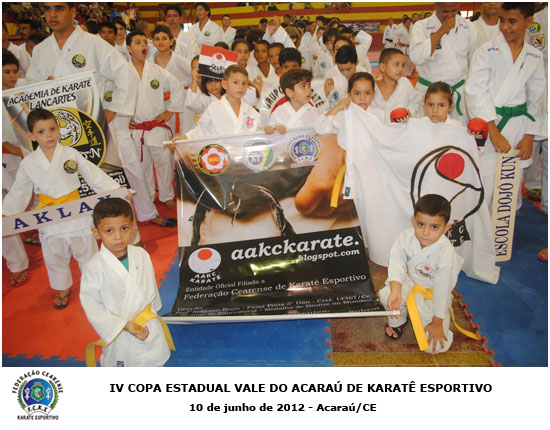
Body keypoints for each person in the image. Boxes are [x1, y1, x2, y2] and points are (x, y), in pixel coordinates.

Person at [2, 109, 121, 309]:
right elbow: (20, 191)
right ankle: (63, 288)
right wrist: (7, 213)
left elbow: (93, 174)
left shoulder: (70, 154)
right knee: (54, 256)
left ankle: (96, 285)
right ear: (31, 136)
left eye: (52, 129)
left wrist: (115, 191)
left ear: (58, 129)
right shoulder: (29, 163)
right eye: (41, 132)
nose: (48, 135)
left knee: (88, 253)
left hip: (76, 212)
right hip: (49, 217)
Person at [465, 2, 546, 207]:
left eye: (512, 21)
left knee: (510, 187)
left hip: (519, 128)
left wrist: (529, 137)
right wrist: (493, 131)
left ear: (528, 21)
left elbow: (536, 98)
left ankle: (505, 228)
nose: (505, 27)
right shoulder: (486, 50)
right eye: (502, 20)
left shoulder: (534, 55)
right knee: (485, 182)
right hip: (490, 125)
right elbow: (475, 92)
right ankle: (481, 226)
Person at [80, 197, 173, 367]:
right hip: (120, 329)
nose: (118, 237)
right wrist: (123, 325)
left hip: (147, 322)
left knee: (154, 360)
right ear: (96, 233)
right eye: (109, 231)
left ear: (133, 227)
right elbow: (92, 306)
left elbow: (150, 286)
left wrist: (154, 310)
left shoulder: (141, 254)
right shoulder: (93, 268)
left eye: (124, 228)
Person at [378, 194, 463, 354]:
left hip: (431, 294)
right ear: (413, 220)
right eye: (421, 224)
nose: (425, 232)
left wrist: (437, 322)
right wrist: (396, 290)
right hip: (410, 282)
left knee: (435, 348)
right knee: (386, 295)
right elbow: (397, 264)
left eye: (434, 227)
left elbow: (443, 289)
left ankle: (425, 315)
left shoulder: (446, 253)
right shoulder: (406, 237)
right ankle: (399, 321)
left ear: (446, 228)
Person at [127, 30, 184, 212]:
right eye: (138, 42)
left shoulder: (156, 71)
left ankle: (167, 196)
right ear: (128, 48)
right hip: (137, 128)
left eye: (145, 42)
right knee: (143, 166)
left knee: (164, 164)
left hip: (157, 126)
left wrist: (170, 111)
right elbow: (112, 96)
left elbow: (177, 86)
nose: (143, 45)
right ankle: (148, 196)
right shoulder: (123, 71)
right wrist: (124, 117)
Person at [409, 2, 478, 123]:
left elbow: (474, 62)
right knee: (426, 131)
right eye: (445, 11)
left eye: (454, 11)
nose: (450, 15)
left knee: (457, 129)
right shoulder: (421, 26)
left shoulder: (468, 27)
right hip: (429, 93)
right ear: (436, 7)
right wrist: (441, 31)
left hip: (457, 91)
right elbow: (416, 57)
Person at [172, 65, 260, 141]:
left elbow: (259, 134)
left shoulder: (251, 112)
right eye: (235, 82)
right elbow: (200, 131)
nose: (240, 87)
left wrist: (267, 130)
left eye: (244, 83)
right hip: (221, 153)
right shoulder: (214, 107)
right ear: (224, 84)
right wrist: (184, 137)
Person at [2, 50, 29, 288]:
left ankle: (40, 233)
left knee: (31, 198)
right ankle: (17, 263)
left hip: (23, 155)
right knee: (4, 212)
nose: (12, 76)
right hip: (6, 156)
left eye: (14, 71)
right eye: (6, 72)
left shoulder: (23, 91)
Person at [314, 72, 385, 135]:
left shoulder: (380, 115)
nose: (362, 98)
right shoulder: (342, 116)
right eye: (357, 93)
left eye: (368, 93)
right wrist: (336, 108)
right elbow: (319, 129)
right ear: (349, 94)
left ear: (374, 94)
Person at [372, 48, 422, 121]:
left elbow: (416, 103)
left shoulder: (405, 84)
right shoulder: (371, 86)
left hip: (401, 126)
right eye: (396, 64)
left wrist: (409, 112)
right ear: (383, 67)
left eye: (403, 65)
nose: (400, 69)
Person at [265, 69, 321, 134]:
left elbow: (321, 132)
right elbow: (269, 130)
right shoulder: (279, 111)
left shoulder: (314, 112)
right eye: (303, 86)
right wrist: (274, 129)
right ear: (289, 92)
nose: (308, 90)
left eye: (309, 86)